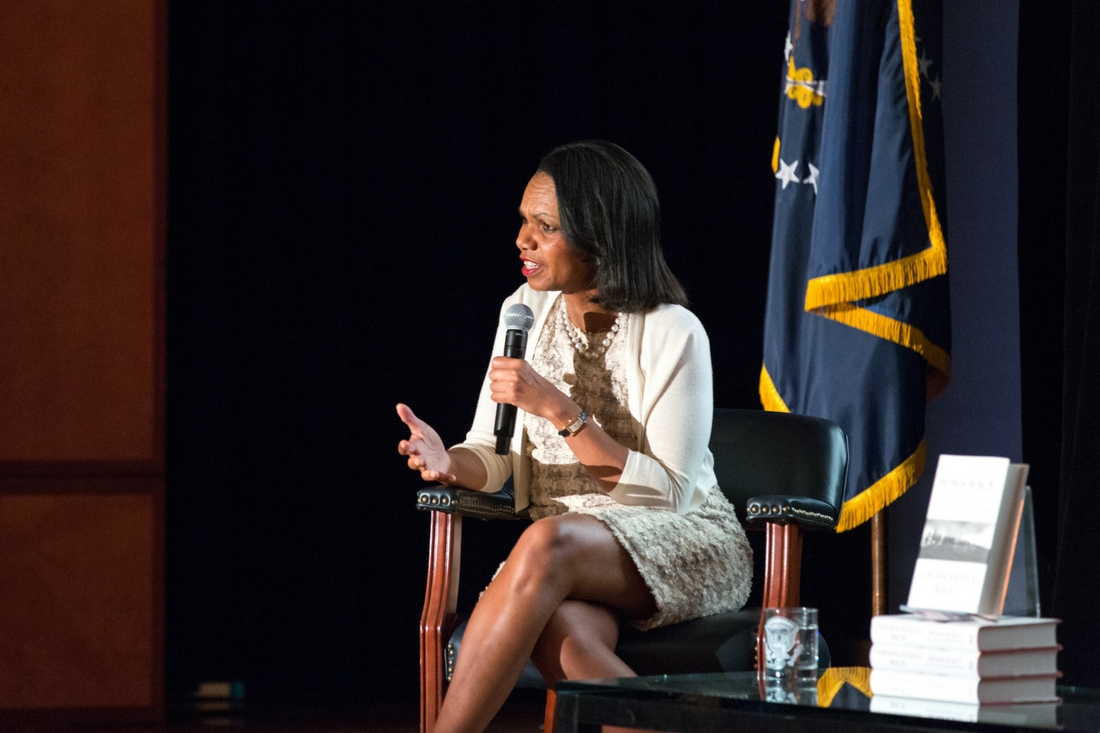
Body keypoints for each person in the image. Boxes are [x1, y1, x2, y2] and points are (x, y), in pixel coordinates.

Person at [397, 140, 752, 733]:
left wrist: (559, 409)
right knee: (562, 631)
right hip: (567, 555)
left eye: (546, 227)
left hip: (683, 539)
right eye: (522, 223)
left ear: (601, 236)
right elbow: (498, 455)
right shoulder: (523, 310)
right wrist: (452, 463)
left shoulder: (672, 330)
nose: (522, 240)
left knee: (544, 544)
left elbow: (669, 492)